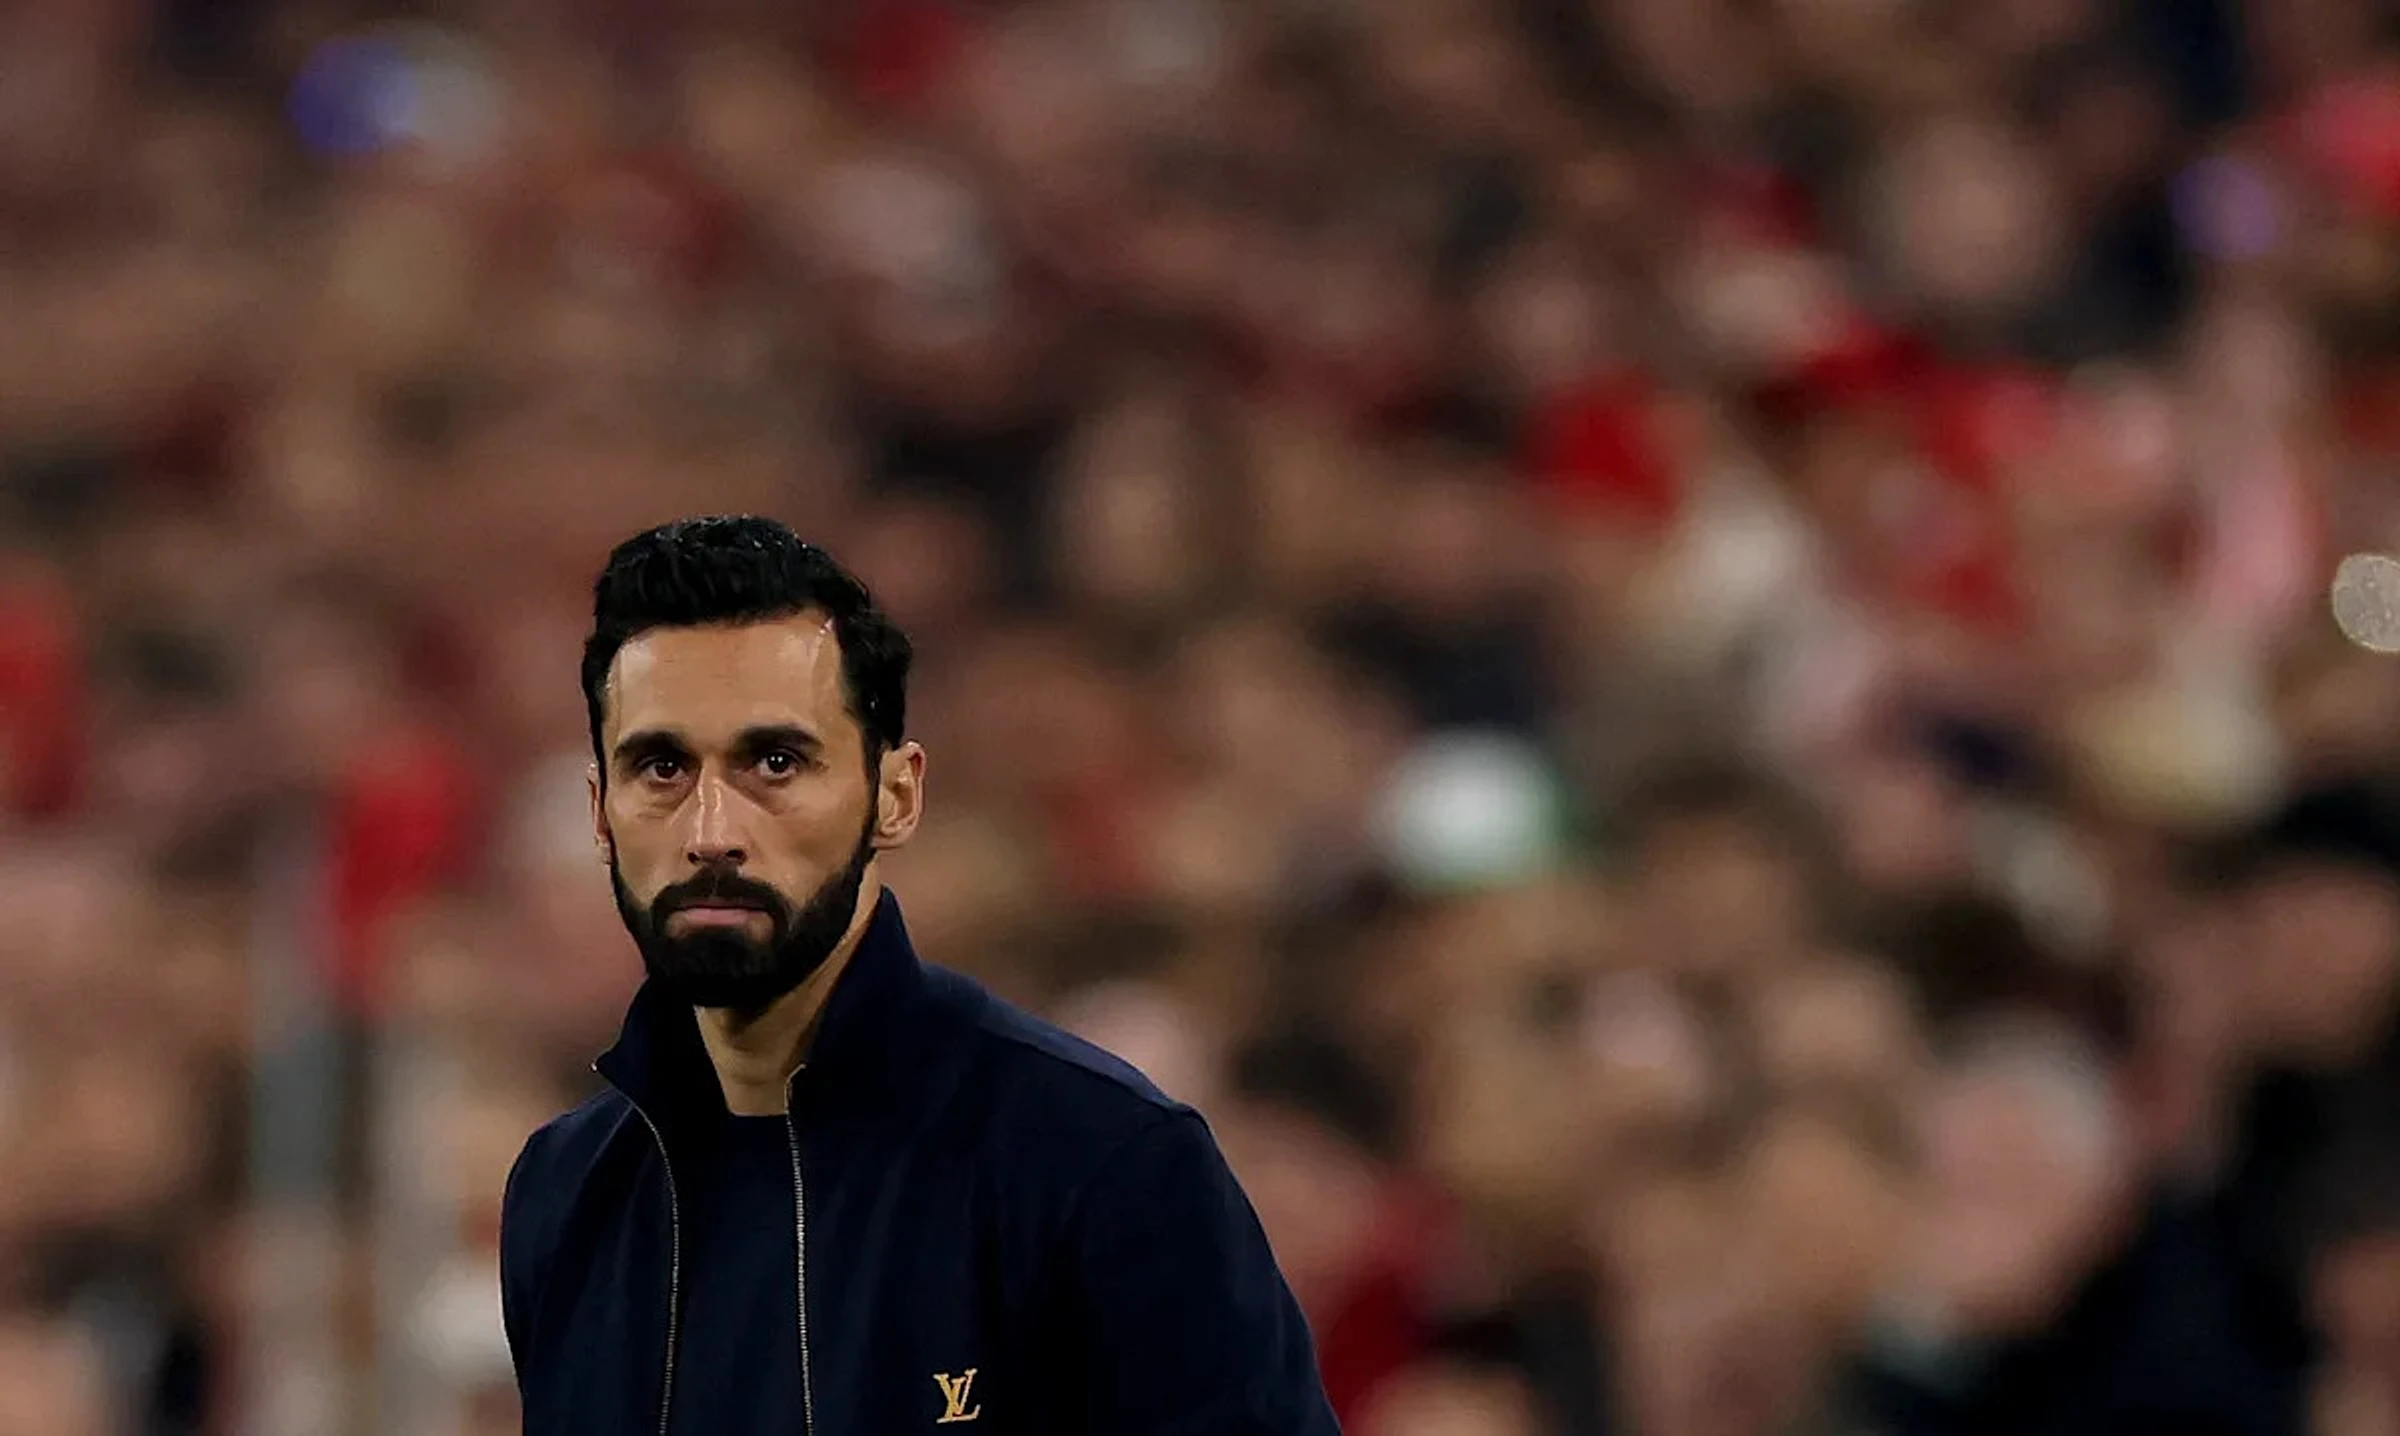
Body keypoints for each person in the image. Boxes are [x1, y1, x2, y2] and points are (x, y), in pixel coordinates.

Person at [498, 516, 1339, 1435]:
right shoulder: (566, 1191)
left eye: (775, 763)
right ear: (600, 812)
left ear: (895, 796)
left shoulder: (1098, 1160)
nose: (711, 832)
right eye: (660, 767)